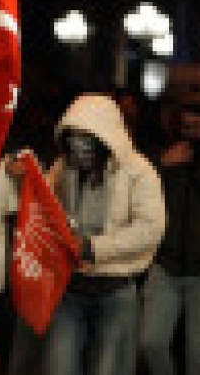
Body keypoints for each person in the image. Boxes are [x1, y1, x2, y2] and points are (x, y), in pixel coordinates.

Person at [36, 94, 165, 375]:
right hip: (69, 289)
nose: (79, 146)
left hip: (115, 290)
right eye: (73, 137)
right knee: (57, 368)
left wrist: (94, 247)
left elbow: (150, 227)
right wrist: (23, 177)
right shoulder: (63, 166)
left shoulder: (139, 170)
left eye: (87, 138)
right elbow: (41, 205)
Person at [140, 97, 200, 375]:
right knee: (150, 343)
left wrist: (198, 165)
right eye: (186, 127)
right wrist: (163, 163)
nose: (191, 134)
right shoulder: (163, 153)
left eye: (198, 128)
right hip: (164, 265)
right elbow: (139, 188)